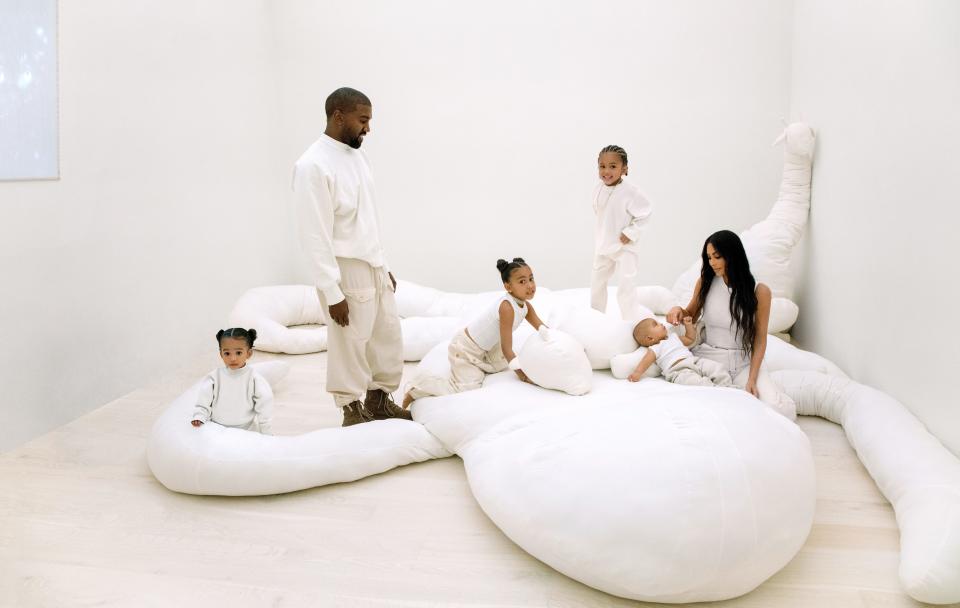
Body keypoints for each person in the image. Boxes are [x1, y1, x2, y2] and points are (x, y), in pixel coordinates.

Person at [292, 86, 411, 427]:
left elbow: (368, 217)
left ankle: (378, 400)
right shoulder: (312, 166)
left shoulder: (356, 155)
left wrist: (382, 266)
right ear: (338, 116)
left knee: (386, 336)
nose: (368, 129)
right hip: (343, 268)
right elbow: (313, 236)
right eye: (363, 120)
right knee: (349, 342)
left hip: (372, 263)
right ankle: (351, 409)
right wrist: (332, 292)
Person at [666, 230, 796, 419]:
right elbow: (690, 315)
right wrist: (677, 309)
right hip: (709, 360)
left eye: (717, 257)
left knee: (779, 410)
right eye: (709, 257)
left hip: (743, 363)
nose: (711, 262)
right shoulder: (706, 282)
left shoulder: (759, 291)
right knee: (706, 410)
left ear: (732, 255)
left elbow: (760, 338)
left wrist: (752, 378)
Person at [402, 258, 545, 407]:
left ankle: (480, 367)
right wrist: (522, 376)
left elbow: (542, 328)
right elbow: (506, 348)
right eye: (522, 282)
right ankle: (420, 386)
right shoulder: (507, 307)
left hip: (487, 350)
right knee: (467, 389)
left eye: (531, 279)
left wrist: (555, 340)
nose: (530, 285)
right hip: (466, 350)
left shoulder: (526, 307)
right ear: (508, 287)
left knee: (501, 365)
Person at [590, 145, 653, 319]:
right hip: (604, 245)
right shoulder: (598, 188)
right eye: (602, 166)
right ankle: (595, 318)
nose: (606, 171)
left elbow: (645, 213)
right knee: (597, 283)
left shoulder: (631, 192)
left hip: (625, 247)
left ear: (624, 169)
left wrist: (631, 232)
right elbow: (600, 212)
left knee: (626, 285)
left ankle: (630, 321)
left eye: (612, 166)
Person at [191, 328, 273, 434]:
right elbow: (204, 400)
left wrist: (266, 432)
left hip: (247, 429)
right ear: (221, 354)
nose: (233, 358)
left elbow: (264, 407)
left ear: (249, 353)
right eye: (227, 353)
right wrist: (199, 415)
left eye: (238, 353)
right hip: (217, 427)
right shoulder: (214, 377)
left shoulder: (254, 379)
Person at [628, 317, 733, 387]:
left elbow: (690, 339)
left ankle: (727, 385)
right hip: (678, 371)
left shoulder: (673, 337)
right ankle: (715, 389)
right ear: (650, 338)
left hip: (694, 361)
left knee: (716, 368)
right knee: (695, 383)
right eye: (656, 325)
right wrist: (637, 373)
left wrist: (688, 325)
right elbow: (645, 362)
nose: (660, 323)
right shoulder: (655, 348)